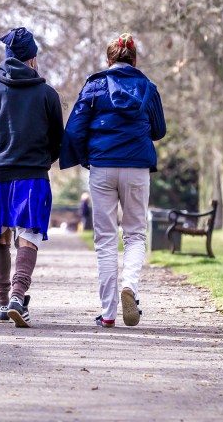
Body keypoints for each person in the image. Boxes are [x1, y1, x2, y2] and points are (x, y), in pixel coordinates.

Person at [60, 32, 166, 328]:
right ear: (135, 60)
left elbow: (75, 129)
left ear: (109, 61)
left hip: (103, 167)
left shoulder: (95, 85)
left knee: (105, 240)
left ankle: (107, 314)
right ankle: (129, 287)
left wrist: (85, 158)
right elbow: (158, 130)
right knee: (134, 234)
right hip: (136, 167)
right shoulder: (148, 88)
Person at [0, 27, 64, 328]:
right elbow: (59, 140)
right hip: (32, 176)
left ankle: (2, 303)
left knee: (0, 237)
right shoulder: (47, 94)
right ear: (32, 59)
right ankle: (19, 296)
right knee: (28, 237)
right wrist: (41, 161)